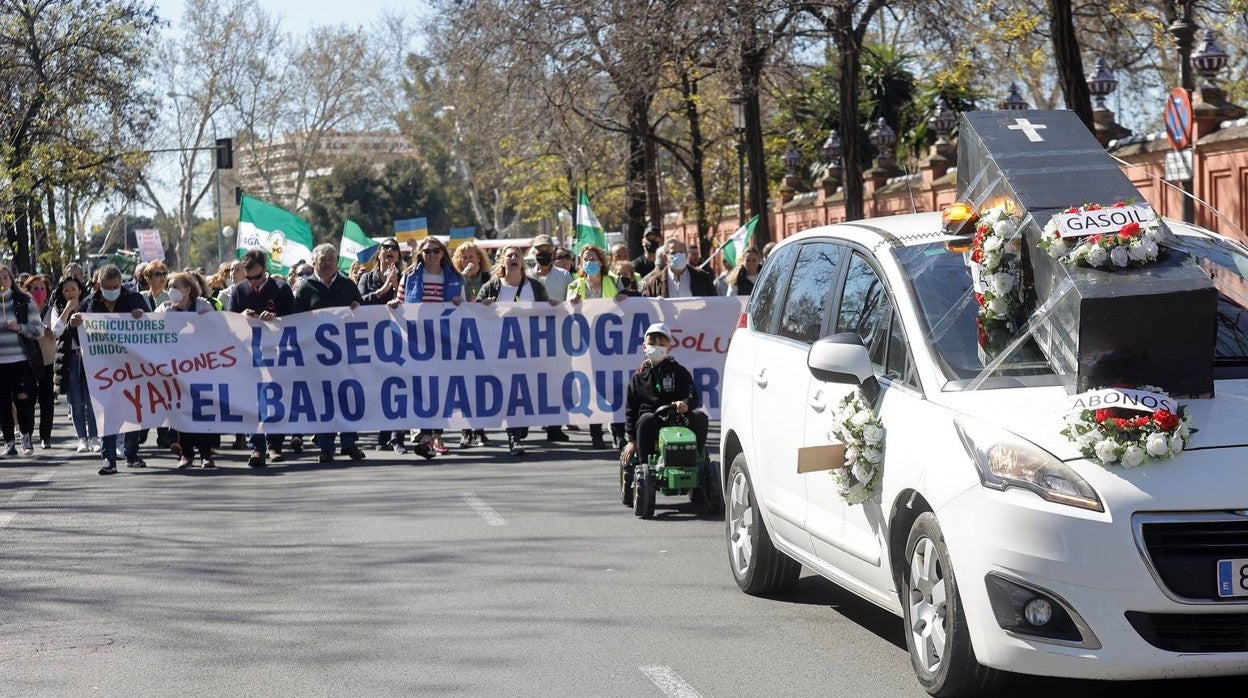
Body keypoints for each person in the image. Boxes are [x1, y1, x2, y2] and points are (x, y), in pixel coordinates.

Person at [478, 245, 560, 456]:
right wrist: (481, 305)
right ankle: (513, 437)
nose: (513, 258)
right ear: (503, 261)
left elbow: (547, 313)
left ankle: (521, 428)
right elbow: (475, 311)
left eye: (517, 255)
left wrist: (554, 306)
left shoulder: (534, 286)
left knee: (528, 393)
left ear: (522, 262)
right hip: (501, 352)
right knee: (510, 394)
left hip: (530, 351)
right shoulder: (492, 286)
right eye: (509, 256)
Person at [68, 265, 147, 474]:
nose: (112, 289)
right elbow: (78, 339)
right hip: (103, 370)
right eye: (107, 286)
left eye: (115, 286)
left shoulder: (135, 300)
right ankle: (108, 458)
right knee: (107, 413)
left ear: (121, 283)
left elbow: (151, 330)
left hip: (132, 367)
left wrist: (142, 316)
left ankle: (131, 453)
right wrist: (73, 324)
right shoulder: (89, 304)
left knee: (133, 409)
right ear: (98, 285)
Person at [390, 236, 464, 458]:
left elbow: (465, 308)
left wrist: (461, 303)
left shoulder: (455, 278)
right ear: (420, 254)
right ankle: (424, 436)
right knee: (421, 388)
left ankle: (437, 436)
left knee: (440, 388)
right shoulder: (410, 276)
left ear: (443, 253)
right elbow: (401, 301)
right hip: (417, 341)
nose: (431, 255)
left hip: (444, 341)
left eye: (436, 251)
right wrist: (395, 304)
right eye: (427, 251)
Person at [295, 243, 368, 464]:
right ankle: (326, 447)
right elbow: (296, 319)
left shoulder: (347, 284)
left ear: (337, 262)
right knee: (323, 400)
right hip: (317, 357)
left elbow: (362, 312)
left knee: (347, 398)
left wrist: (357, 308)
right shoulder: (306, 288)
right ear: (314, 261)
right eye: (323, 259)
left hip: (345, 354)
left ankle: (349, 442)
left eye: (331, 259)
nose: (327, 263)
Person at [230, 249, 295, 468]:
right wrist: (241, 317)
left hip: (277, 355)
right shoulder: (239, 291)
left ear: (265, 270)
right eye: (249, 278)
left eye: (257, 277)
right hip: (249, 356)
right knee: (252, 401)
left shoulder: (281, 289)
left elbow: (296, 320)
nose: (253, 282)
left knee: (276, 399)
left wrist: (276, 319)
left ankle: (275, 445)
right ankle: (256, 447)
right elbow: (229, 322)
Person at [152, 272, 218, 468]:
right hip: (176, 370)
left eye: (175, 286)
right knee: (181, 411)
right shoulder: (165, 308)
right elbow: (148, 325)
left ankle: (206, 454)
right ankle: (186, 454)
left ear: (187, 290)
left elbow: (215, 329)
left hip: (201, 367)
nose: (170, 289)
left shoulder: (203, 306)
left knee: (202, 411)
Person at [622, 323, 709, 469]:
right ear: (644, 347)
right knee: (645, 420)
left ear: (669, 347)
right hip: (652, 420)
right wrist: (632, 440)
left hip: (677, 418)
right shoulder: (638, 376)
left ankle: (698, 459)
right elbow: (631, 409)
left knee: (700, 417)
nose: (656, 347)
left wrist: (686, 404)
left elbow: (692, 395)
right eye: (652, 343)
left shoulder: (679, 371)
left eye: (661, 344)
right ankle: (646, 467)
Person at [567, 245, 628, 450]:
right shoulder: (575, 286)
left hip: (612, 347)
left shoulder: (614, 282)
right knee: (593, 389)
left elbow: (629, 308)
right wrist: (571, 303)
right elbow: (567, 313)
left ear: (601, 262)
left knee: (615, 388)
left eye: (593, 258)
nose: (589, 262)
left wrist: (624, 299)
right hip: (587, 348)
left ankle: (619, 433)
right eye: (586, 259)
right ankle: (596, 434)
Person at [358, 237, 408, 453]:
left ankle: (398, 437)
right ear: (378, 254)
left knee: (400, 386)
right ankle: (383, 434)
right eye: (385, 248)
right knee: (380, 387)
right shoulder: (366, 278)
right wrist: (384, 288)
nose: (389, 251)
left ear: (398, 255)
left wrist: (397, 284)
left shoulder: (406, 276)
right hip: (373, 338)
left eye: (394, 249)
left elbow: (409, 302)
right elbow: (359, 303)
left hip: (399, 338)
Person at [527, 235, 573, 444]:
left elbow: (574, 302)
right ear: (533, 252)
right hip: (529, 338)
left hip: (557, 338)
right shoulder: (525, 275)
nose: (543, 254)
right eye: (539, 250)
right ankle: (523, 426)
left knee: (556, 382)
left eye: (547, 250)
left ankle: (555, 427)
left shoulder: (564, 276)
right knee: (528, 381)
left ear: (553, 252)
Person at [451, 240, 493, 449]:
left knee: (481, 386)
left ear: (479, 258)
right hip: (462, 338)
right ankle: (465, 431)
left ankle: (480, 430)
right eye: (464, 257)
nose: (468, 260)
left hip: (484, 338)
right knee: (465, 386)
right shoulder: (456, 279)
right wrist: (464, 278)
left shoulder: (489, 278)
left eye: (471, 256)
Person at [50, 276, 99, 453]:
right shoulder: (57, 308)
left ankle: (94, 437)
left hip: (89, 357)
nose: (70, 293)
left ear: (80, 290)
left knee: (91, 399)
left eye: (73, 289)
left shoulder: (90, 305)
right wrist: (67, 311)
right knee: (75, 401)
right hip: (70, 359)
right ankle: (82, 439)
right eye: (66, 290)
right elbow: (56, 330)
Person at [0, 264, 44, 457]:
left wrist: (20, 327)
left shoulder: (24, 300)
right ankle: (9, 441)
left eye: (4, 277)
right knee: (2, 403)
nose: (1, 281)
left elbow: (38, 330)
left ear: (10, 279)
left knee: (23, 400)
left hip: (21, 360)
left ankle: (25, 435)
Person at [21, 275, 56, 449]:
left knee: (46, 401)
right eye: (35, 288)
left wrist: (52, 331)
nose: (39, 292)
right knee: (27, 401)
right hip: (28, 363)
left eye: (42, 288)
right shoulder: (23, 310)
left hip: (48, 363)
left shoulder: (52, 311)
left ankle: (45, 436)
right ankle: (27, 433)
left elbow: (58, 329)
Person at [641, 237, 717, 298]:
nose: (678, 256)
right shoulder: (655, 283)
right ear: (665, 258)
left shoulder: (703, 278)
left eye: (681, 252)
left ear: (686, 255)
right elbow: (645, 307)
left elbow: (715, 304)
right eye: (673, 253)